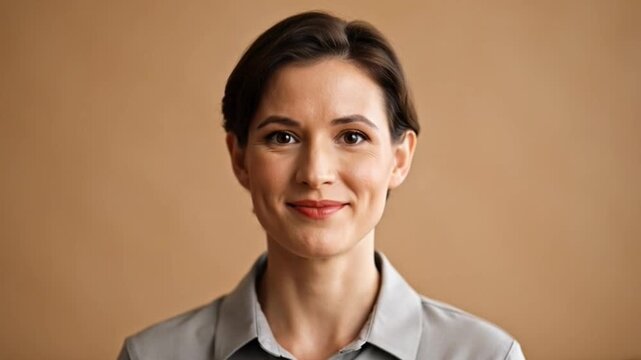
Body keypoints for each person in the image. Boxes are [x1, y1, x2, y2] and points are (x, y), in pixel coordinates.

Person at [118, 11, 526, 360]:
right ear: (239, 159)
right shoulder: (153, 355)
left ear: (399, 159)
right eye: (282, 137)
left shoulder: (487, 355)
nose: (315, 174)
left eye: (351, 137)